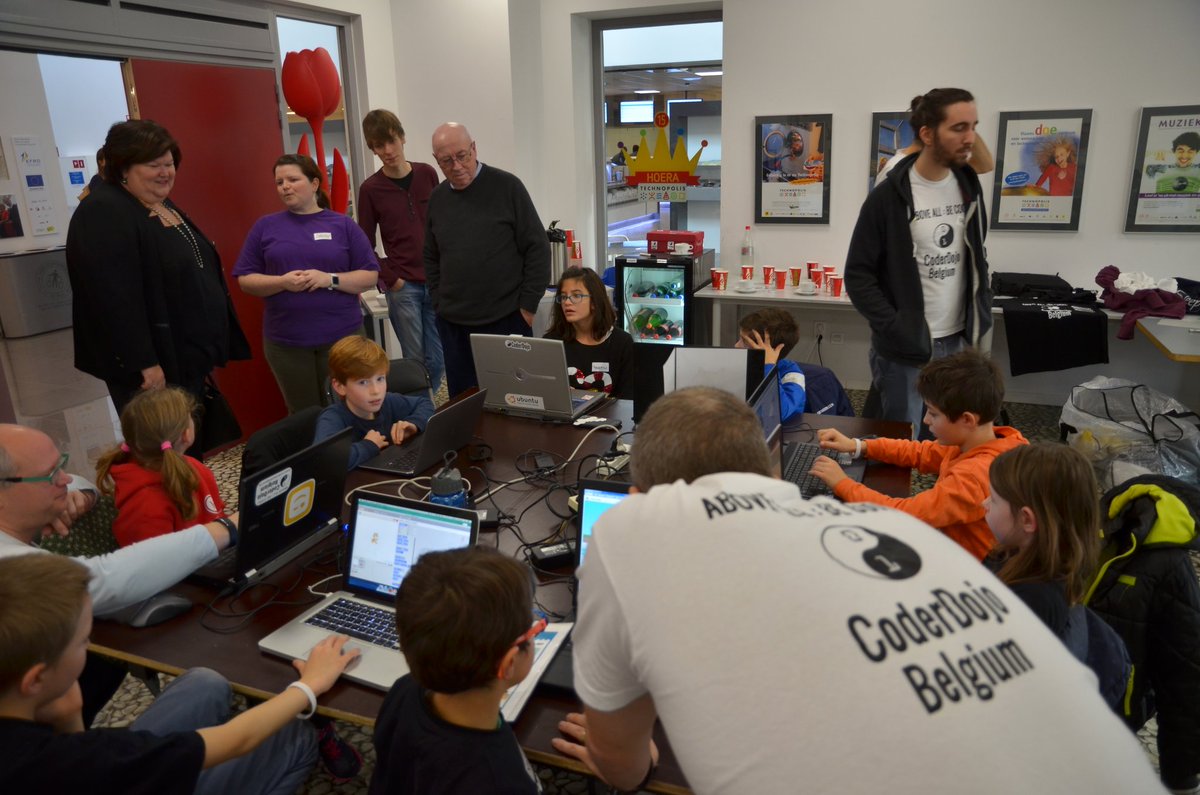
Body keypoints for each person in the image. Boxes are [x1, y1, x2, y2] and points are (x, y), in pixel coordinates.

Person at [551, 386, 1162, 793]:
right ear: (769, 470)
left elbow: (622, 766)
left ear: (641, 498)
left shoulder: (632, 528)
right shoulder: (884, 531)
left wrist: (635, 759)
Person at [0, 553, 361, 794]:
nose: (90, 644)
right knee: (296, 734)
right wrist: (310, 684)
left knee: (205, 682)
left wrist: (68, 717)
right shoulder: (75, 763)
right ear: (35, 680)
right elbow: (238, 741)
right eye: (83, 642)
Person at [65, 119, 250, 420]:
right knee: (163, 449)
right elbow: (112, 299)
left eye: (169, 163)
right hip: (152, 367)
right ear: (124, 168)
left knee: (188, 444)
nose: (165, 173)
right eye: (154, 165)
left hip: (185, 356)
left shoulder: (158, 204)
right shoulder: (104, 211)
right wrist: (144, 363)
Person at [846, 87, 993, 438]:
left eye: (973, 126)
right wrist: (893, 326)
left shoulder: (967, 184)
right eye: (958, 128)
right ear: (927, 134)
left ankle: (939, 496)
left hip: (958, 339)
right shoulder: (889, 194)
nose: (970, 138)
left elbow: (976, 252)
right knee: (901, 442)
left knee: (949, 439)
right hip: (907, 347)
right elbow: (858, 274)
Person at [369, 546, 561, 794]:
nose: (536, 627)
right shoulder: (500, 781)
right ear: (508, 663)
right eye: (533, 627)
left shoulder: (404, 690)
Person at [809, 350, 1027, 561]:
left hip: (964, 567)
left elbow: (907, 514)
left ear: (968, 420)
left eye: (933, 414)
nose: (925, 421)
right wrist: (858, 446)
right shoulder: (988, 440)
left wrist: (842, 484)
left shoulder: (974, 476)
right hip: (951, 546)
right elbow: (921, 452)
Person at [983, 443, 1132, 708]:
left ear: (1027, 520)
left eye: (993, 500)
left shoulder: (1035, 598)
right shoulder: (1013, 555)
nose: (983, 503)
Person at [232, 154, 380, 414]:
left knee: (349, 408)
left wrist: (329, 279)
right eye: (279, 182)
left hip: (342, 338)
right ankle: (314, 455)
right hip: (287, 343)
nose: (285, 186)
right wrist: (282, 282)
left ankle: (356, 454)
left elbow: (370, 276)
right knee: (304, 414)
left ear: (314, 184)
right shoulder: (265, 227)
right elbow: (246, 280)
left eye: (292, 179)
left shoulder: (342, 224)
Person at [424, 122, 550, 397]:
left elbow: (538, 248)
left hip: (507, 319)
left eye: (462, 156)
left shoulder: (508, 187)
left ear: (474, 149)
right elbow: (431, 257)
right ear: (436, 161)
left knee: (516, 399)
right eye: (446, 161)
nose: (456, 166)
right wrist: (439, 303)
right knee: (465, 403)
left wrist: (527, 307)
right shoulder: (437, 198)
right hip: (454, 324)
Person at [357, 110, 445, 392]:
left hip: (437, 281)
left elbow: (443, 225)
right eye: (379, 146)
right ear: (372, 149)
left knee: (439, 355)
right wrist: (389, 277)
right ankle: (423, 412)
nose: (387, 151)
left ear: (402, 138)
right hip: (403, 286)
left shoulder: (427, 174)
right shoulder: (370, 189)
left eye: (391, 141)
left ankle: (424, 404)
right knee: (414, 359)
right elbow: (363, 243)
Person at [95, 387, 226, 547]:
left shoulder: (195, 467)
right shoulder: (145, 505)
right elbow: (154, 565)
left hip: (212, 554)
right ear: (186, 434)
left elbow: (219, 517)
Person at [313, 335, 435, 471]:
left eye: (380, 379)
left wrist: (413, 424)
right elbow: (325, 460)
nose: (376, 391)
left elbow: (425, 404)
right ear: (340, 386)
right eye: (363, 382)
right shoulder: (333, 418)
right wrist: (369, 445)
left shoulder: (388, 401)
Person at [543, 266, 633, 399]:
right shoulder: (551, 342)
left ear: (595, 301)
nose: (567, 302)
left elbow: (628, 400)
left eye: (576, 295)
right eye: (563, 297)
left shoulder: (622, 342)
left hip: (610, 417)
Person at [734, 307, 806, 421]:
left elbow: (779, 412)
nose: (736, 346)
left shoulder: (792, 374)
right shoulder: (742, 364)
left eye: (745, 342)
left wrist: (768, 367)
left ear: (769, 350)